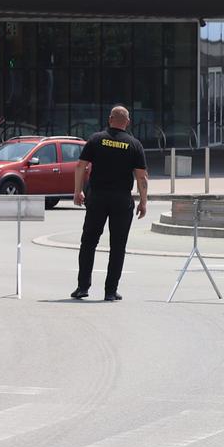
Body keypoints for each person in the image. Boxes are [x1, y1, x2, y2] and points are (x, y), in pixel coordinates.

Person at [71, 105, 148, 301]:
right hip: (122, 200)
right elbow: (142, 178)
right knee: (118, 246)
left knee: (88, 242)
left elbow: (80, 166)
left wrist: (78, 190)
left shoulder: (96, 139)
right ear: (127, 122)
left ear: (109, 119)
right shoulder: (134, 144)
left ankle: (82, 287)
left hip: (97, 197)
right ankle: (110, 291)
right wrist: (143, 202)